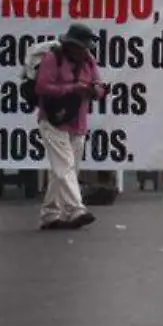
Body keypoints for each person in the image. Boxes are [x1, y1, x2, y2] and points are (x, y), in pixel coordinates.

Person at [33, 23, 106, 230]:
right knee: (64, 166)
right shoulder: (53, 58)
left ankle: (50, 213)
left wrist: (94, 91)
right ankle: (76, 209)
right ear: (70, 45)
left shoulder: (88, 61)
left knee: (64, 170)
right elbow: (42, 87)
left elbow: (100, 85)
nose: (85, 51)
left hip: (78, 121)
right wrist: (72, 89)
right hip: (52, 119)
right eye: (81, 47)